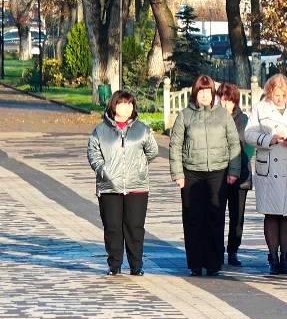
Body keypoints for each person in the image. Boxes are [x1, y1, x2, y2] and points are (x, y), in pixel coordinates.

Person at [170, 74, 241, 276]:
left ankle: (213, 262)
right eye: (200, 91)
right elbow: (175, 145)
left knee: (215, 216)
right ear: (195, 92)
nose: (204, 95)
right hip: (191, 172)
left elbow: (234, 143)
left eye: (207, 91)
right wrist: (177, 173)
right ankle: (195, 262)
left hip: (218, 172)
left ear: (212, 94)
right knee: (193, 217)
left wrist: (233, 170)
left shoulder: (223, 115)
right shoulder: (185, 115)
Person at [245, 74, 287, 275]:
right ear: (269, 92)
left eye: (283, 94)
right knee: (271, 213)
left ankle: (286, 255)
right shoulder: (261, 108)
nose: (279, 98)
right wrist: (269, 139)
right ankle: (273, 256)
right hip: (270, 167)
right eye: (276, 94)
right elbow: (249, 134)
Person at [87, 90, 160, 276]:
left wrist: (140, 167)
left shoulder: (142, 129)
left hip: (137, 187)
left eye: (130, 104)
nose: (127, 107)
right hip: (109, 187)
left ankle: (136, 265)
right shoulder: (100, 130)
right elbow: (93, 153)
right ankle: (114, 264)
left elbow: (152, 151)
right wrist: (103, 171)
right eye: (122, 103)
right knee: (112, 227)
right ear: (114, 105)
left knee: (135, 228)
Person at [217, 82, 250, 267]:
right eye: (222, 99)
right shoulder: (214, 118)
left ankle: (233, 250)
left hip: (240, 175)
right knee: (217, 212)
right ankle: (217, 248)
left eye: (228, 100)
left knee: (237, 215)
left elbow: (248, 144)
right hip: (218, 173)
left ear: (234, 101)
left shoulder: (243, 120)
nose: (225, 104)